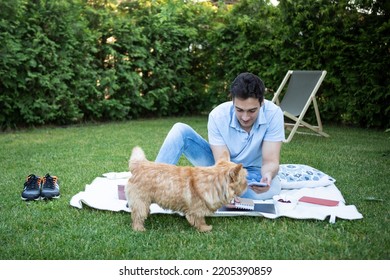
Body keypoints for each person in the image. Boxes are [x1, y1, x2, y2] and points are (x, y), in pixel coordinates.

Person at [155, 72, 285, 200]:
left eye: (252, 111)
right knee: (179, 130)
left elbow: (270, 161)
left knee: (272, 189)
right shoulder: (217, 116)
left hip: (255, 173)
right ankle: (153, 184)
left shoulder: (273, 114)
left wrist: (267, 176)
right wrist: (228, 182)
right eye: (239, 110)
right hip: (222, 168)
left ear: (261, 102)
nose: (245, 117)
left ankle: (208, 188)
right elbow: (222, 162)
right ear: (232, 101)